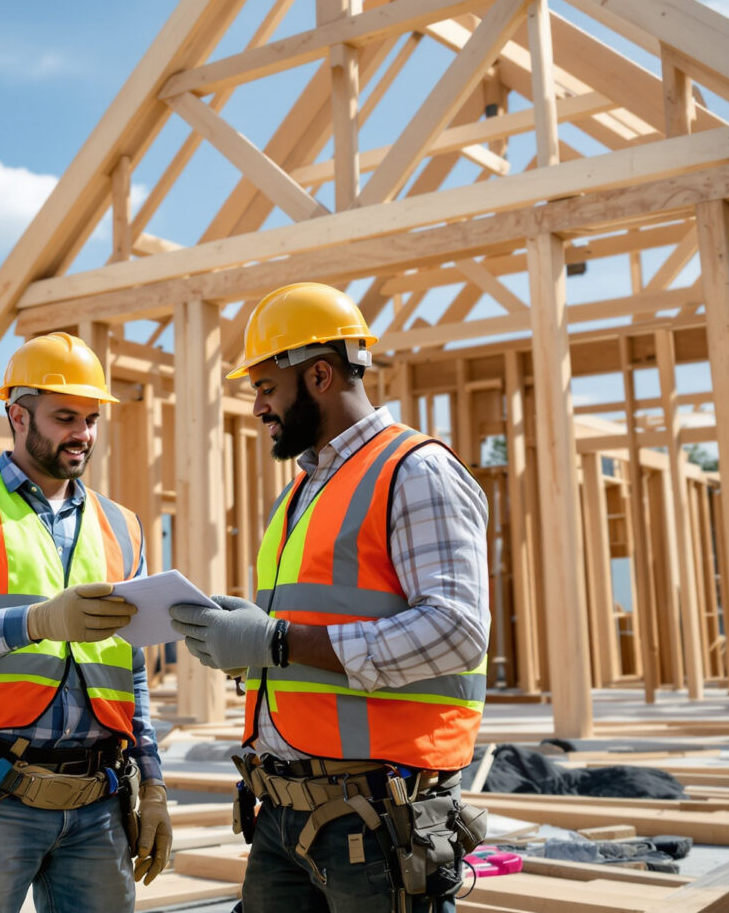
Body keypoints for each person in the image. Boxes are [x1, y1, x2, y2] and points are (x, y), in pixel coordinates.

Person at [170, 282, 491, 913]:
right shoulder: (303, 491)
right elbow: (319, 629)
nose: (258, 406)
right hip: (284, 815)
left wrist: (278, 642)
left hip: (375, 819)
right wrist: (252, 647)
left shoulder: (414, 469)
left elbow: (456, 630)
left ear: (318, 374)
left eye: (265, 386)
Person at [0, 332, 171, 913]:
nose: (83, 433)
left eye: (92, 418)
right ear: (18, 416)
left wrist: (155, 783)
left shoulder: (121, 525)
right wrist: (39, 619)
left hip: (100, 800)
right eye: (66, 416)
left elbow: (131, 667)